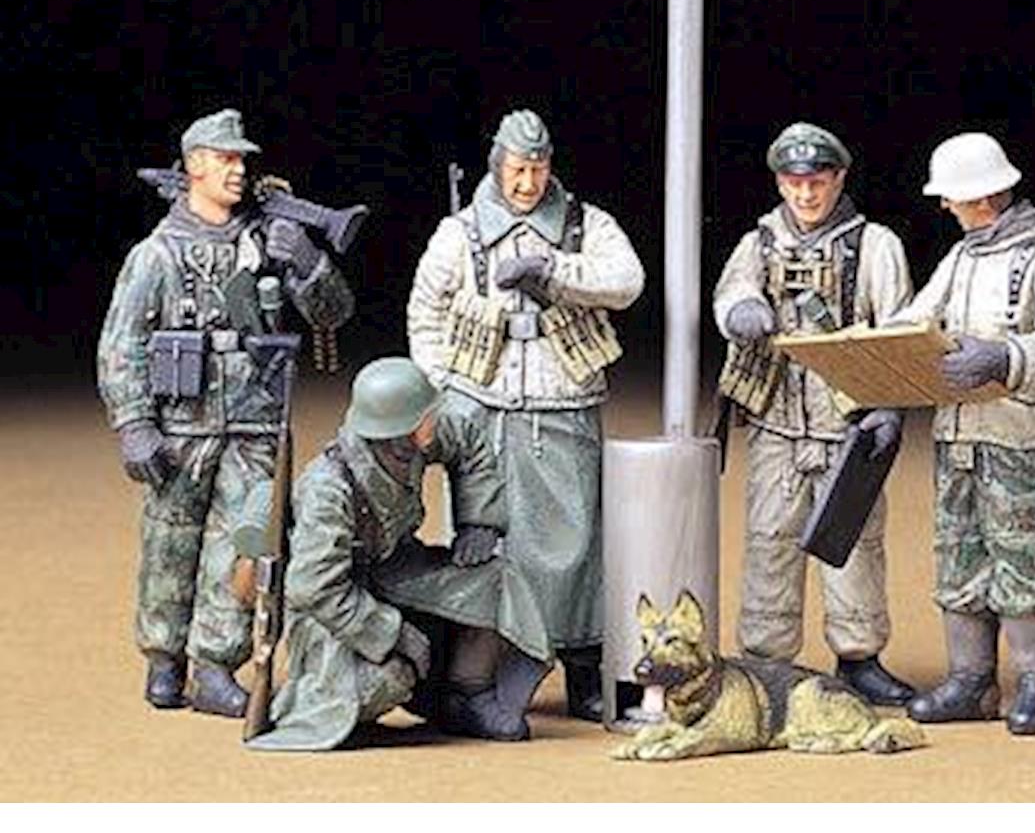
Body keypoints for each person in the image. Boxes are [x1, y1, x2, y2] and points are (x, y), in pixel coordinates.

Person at [96, 109, 355, 716]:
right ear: (194, 166)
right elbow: (122, 343)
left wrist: (308, 263)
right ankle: (164, 659)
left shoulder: (266, 243)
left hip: (254, 422)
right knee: (169, 541)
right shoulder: (157, 255)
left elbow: (333, 313)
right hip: (180, 424)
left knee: (243, 546)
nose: (238, 170)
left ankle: (217, 664)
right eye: (225, 158)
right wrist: (134, 424)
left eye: (242, 159)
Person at [407, 109, 645, 720]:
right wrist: (444, 390)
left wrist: (554, 273)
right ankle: (481, 673)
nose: (527, 183)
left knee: (579, 546)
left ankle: (585, 666)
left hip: (562, 405)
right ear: (497, 166)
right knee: (488, 546)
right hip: (484, 409)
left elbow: (626, 281)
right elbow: (425, 313)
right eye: (516, 170)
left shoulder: (583, 225)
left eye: (537, 170)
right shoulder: (460, 234)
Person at [889, 132, 1035, 736]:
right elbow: (917, 319)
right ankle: (971, 679)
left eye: (951, 196)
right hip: (957, 434)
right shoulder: (963, 257)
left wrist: (1006, 357)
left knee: (1021, 555)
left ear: (981, 197)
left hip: (1016, 434)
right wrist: (878, 364)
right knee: (958, 553)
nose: (944, 206)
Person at [238, 357, 553, 750]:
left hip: (396, 569)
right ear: (404, 427)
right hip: (341, 602)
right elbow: (313, 588)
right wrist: (391, 632)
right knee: (388, 679)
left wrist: (478, 521)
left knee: (496, 580)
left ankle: (467, 694)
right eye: (428, 416)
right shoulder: (328, 490)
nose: (436, 420)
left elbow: (468, 439)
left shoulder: (415, 440)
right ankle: (380, 695)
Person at [712, 121, 915, 706]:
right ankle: (765, 662)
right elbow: (731, 292)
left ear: (839, 179)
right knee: (769, 540)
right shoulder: (760, 243)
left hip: (847, 427)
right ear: (780, 182)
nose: (806, 194)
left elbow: (900, 327)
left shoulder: (875, 246)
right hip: (777, 423)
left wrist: (889, 405)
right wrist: (743, 311)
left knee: (854, 542)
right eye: (795, 182)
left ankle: (859, 658)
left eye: (817, 182)